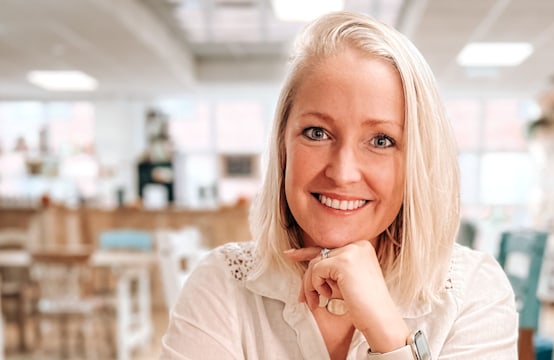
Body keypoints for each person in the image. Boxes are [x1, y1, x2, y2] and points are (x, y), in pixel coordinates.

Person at [161, 11, 517, 359]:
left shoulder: (473, 290)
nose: (343, 172)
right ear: (283, 145)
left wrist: (389, 334)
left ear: (417, 161)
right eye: (317, 133)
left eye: (381, 140)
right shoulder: (222, 284)